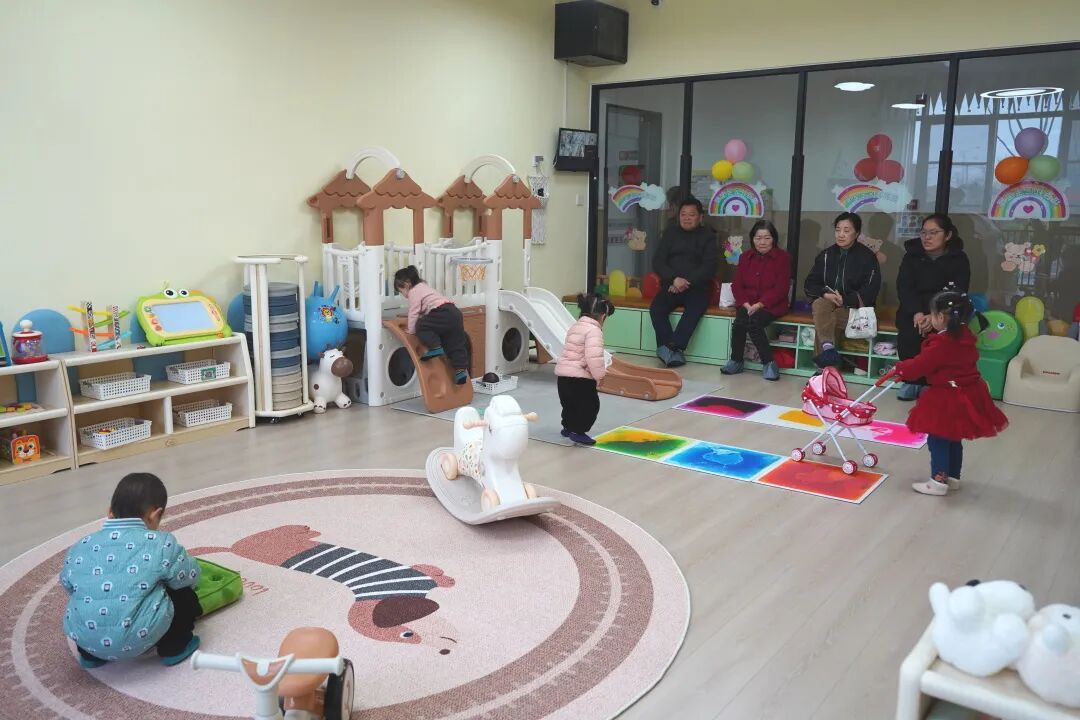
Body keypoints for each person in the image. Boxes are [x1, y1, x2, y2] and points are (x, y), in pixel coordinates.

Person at [60, 473, 202, 668]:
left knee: (86, 597)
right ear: (155, 514)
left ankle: (91, 656)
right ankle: (175, 647)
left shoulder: (81, 545)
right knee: (182, 591)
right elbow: (187, 576)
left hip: (85, 638)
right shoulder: (161, 543)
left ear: (110, 512)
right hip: (138, 636)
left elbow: (67, 584)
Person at [890, 291, 1008, 496]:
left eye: (932, 314)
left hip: (947, 396)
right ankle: (953, 477)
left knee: (938, 439)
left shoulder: (942, 344)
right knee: (954, 438)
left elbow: (920, 365)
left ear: (940, 317)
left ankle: (938, 482)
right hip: (968, 392)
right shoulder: (965, 337)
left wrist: (900, 368)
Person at [895, 213, 971, 400]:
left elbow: (958, 291)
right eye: (923, 233)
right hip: (915, 309)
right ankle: (912, 381)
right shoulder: (911, 256)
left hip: (943, 311)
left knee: (942, 339)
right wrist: (917, 313)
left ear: (948, 235)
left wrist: (934, 315)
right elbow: (904, 287)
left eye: (933, 233)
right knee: (909, 333)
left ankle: (932, 383)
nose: (927, 237)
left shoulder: (959, 259)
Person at [803, 212, 881, 368]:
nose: (841, 234)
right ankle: (828, 351)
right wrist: (826, 294)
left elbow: (871, 290)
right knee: (820, 304)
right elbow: (810, 283)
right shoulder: (826, 255)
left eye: (846, 230)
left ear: (857, 233)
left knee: (828, 319)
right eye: (838, 230)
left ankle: (824, 367)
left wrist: (845, 299)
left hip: (855, 308)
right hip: (829, 302)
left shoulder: (867, 257)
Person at [649, 196, 719, 368]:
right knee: (657, 308)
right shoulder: (670, 233)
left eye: (691, 215)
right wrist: (674, 279)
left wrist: (686, 282)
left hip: (697, 287)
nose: (687, 218)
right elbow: (658, 261)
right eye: (683, 214)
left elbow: (709, 267)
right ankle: (669, 350)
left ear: (700, 217)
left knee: (694, 310)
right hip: (672, 284)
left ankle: (673, 347)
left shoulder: (708, 236)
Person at [721, 220, 791, 381]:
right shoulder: (745, 257)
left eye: (767, 238)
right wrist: (746, 304)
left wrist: (760, 304)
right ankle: (736, 361)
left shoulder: (783, 258)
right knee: (739, 323)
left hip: (771, 305)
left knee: (754, 323)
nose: (762, 242)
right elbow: (737, 285)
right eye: (758, 238)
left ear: (773, 239)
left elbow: (781, 288)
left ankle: (769, 363)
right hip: (748, 303)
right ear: (752, 239)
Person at [395, 265, 469, 385]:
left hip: (442, 312)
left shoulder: (414, 291)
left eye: (401, 291)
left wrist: (411, 329)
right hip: (454, 313)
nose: (403, 294)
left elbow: (414, 311)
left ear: (407, 284)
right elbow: (425, 308)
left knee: (421, 325)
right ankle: (460, 370)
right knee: (455, 343)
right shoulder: (423, 287)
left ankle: (435, 347)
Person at [555, 293, 613, 446]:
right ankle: (578, 431)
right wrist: (600, 376)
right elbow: (593, 357)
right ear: (602, 316)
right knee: (590, 406)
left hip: (563, 376)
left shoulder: (575, 327)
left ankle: (568, 427)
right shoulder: (594, 331)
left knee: (569, 404)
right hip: (580, 379)